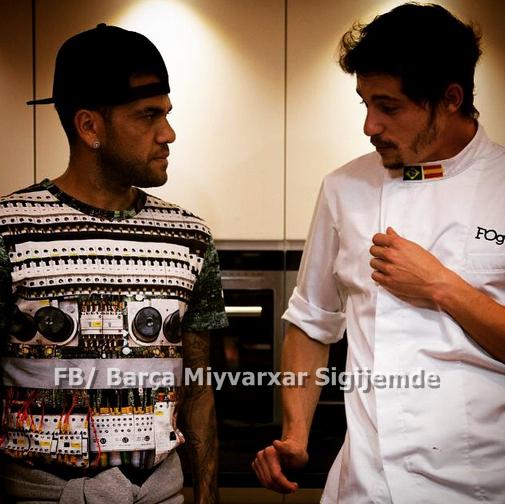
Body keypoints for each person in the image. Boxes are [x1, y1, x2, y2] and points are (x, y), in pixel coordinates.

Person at [253, 3, 505, 503]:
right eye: (365, 103)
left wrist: (441, 286)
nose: (370, 126)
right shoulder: (344, 187)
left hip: (482, 485)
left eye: (389, 107)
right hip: (364, 485)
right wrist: (296, 434)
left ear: (450, 99)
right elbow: (311, 322)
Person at [0, 24, 227, 504]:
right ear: (90, 127)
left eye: (166, 114)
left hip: (161, 493)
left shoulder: (190, 236)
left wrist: (207, 495)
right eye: (148, 116)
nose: (168, 134)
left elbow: (198, 384)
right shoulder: (10, 230)